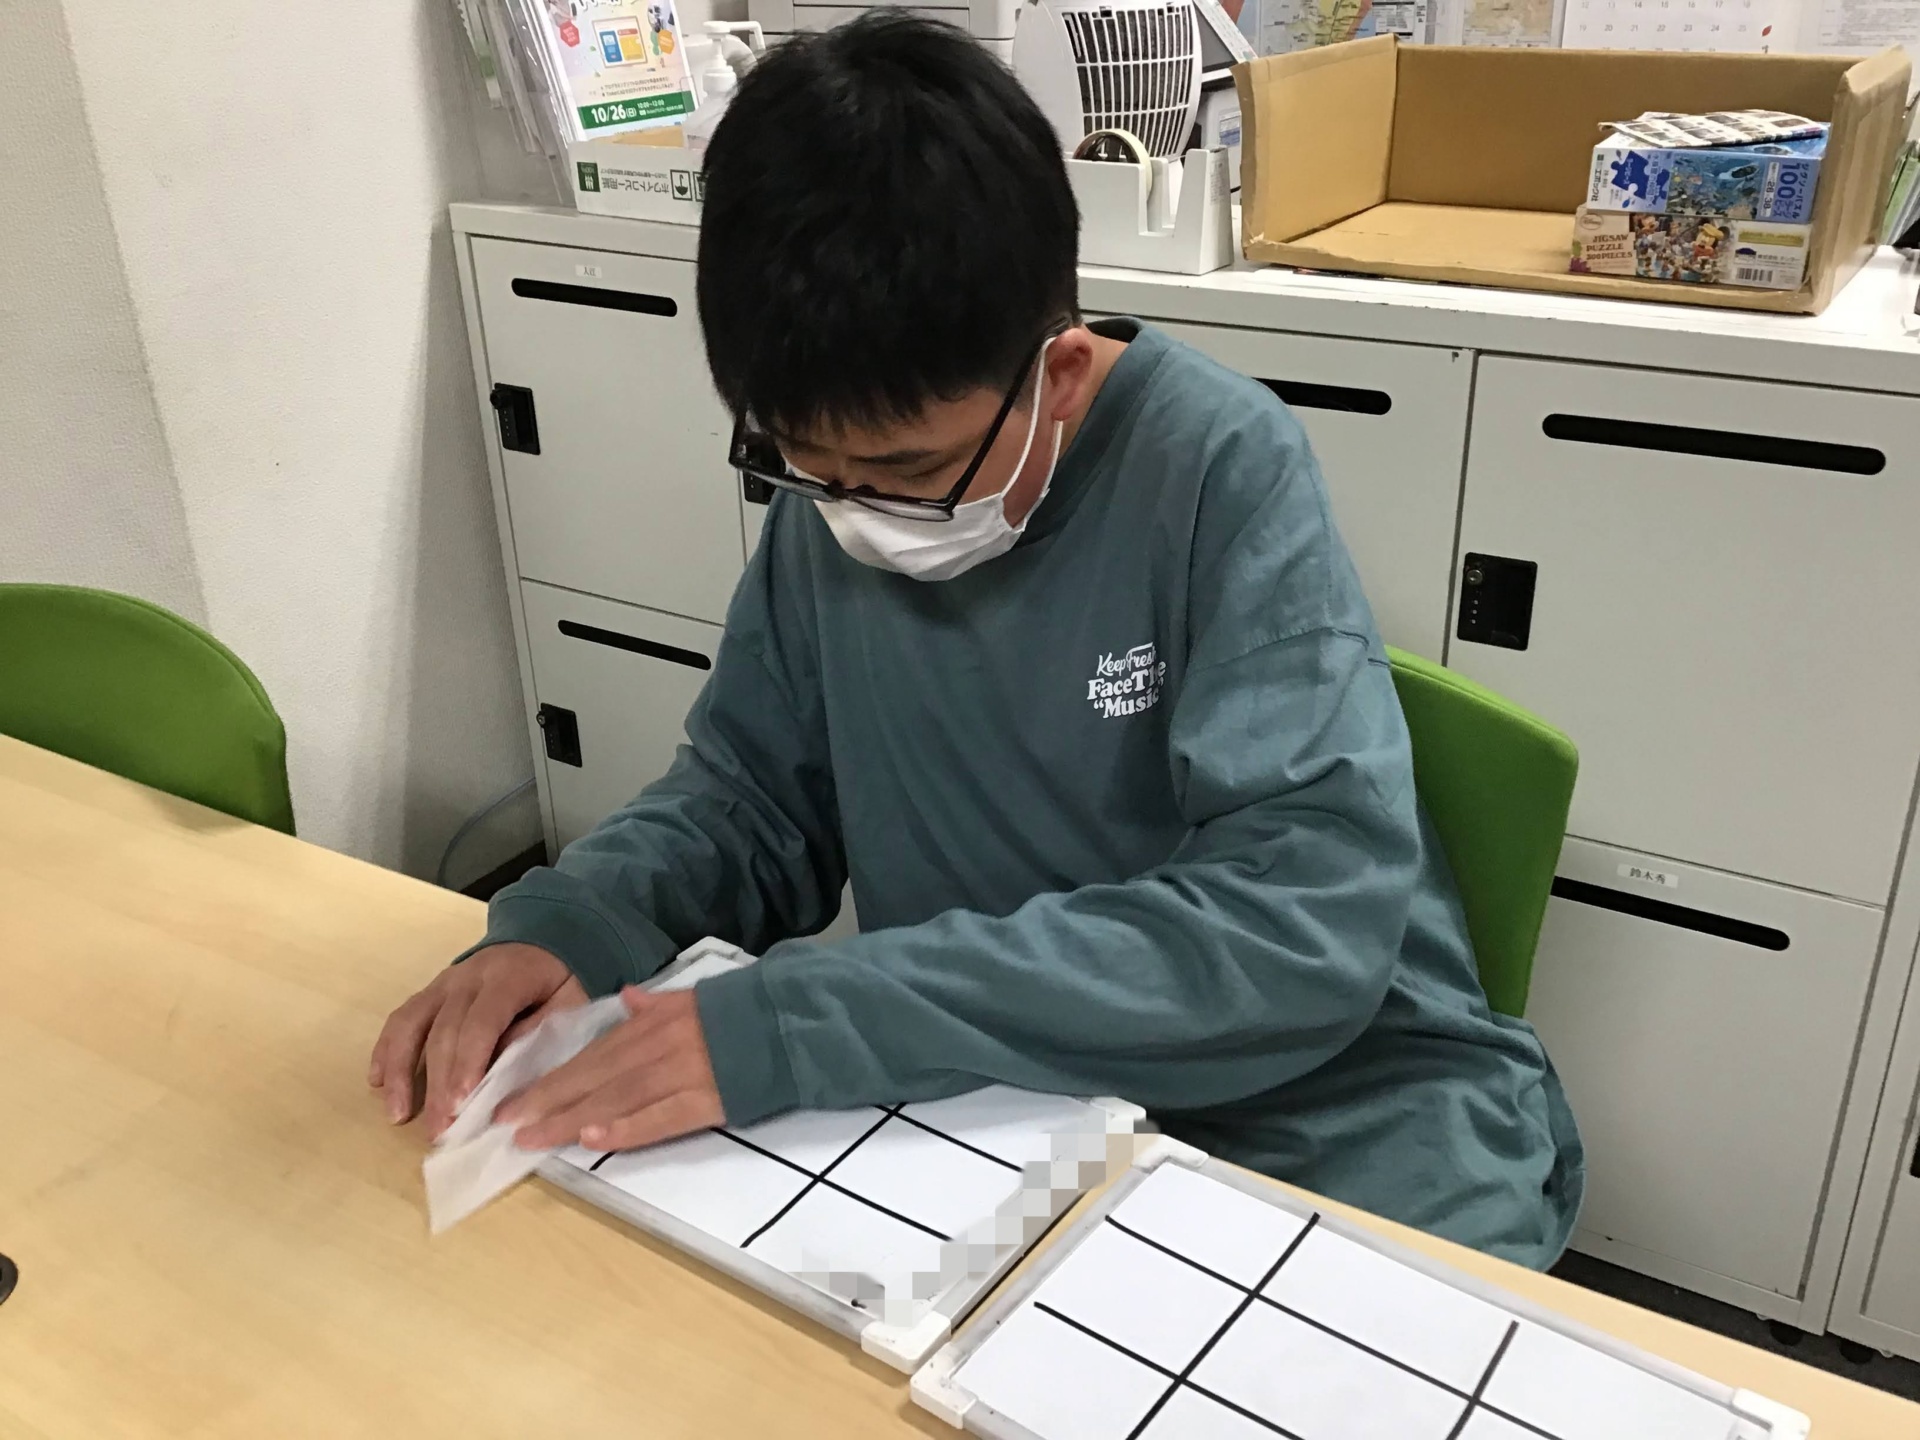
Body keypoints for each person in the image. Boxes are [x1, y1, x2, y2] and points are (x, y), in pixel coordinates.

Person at [369, 12, 1582, 1266]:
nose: (861, 515)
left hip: (1331, 1112)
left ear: (1062, 373)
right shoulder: (835, 502)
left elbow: (1298, 928)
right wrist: (576, 920)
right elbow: (751, 800)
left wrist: (805, 1018)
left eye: (910, 471)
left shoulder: (1218, 466)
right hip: (1019, 1100)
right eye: (806, 462)